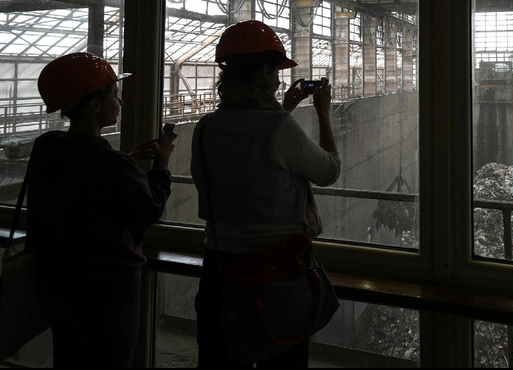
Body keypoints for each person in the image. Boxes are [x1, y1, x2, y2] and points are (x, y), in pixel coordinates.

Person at [190, 20, 340, 368]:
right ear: (263, 71)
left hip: (218, 273)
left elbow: (250, 158)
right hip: (275, 277)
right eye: (275, 71)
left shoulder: (206, 128)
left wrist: (283, 107)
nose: (278, 80)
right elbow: (329, 170)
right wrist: (323, 111)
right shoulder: (279, 128)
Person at [26, 52, 176, 367]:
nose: (119, 103)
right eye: (115, 96)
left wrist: (127, 165)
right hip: (107, 296)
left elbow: (80, 190)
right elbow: (149, 209)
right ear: (95, 104)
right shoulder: (109, 163)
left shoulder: (47, 148)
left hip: (59, 285)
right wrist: (160, 163)